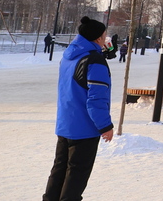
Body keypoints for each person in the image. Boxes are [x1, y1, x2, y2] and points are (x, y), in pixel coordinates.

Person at [43, 17, 114, 201]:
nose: (106, 38)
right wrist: (105, 126)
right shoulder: (94, 61)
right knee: (76, 175)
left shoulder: (69, 56)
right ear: (98, 38)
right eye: (104, 35)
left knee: (59, 168)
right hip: (84, 128)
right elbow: (96, 99)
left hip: (65, 123)